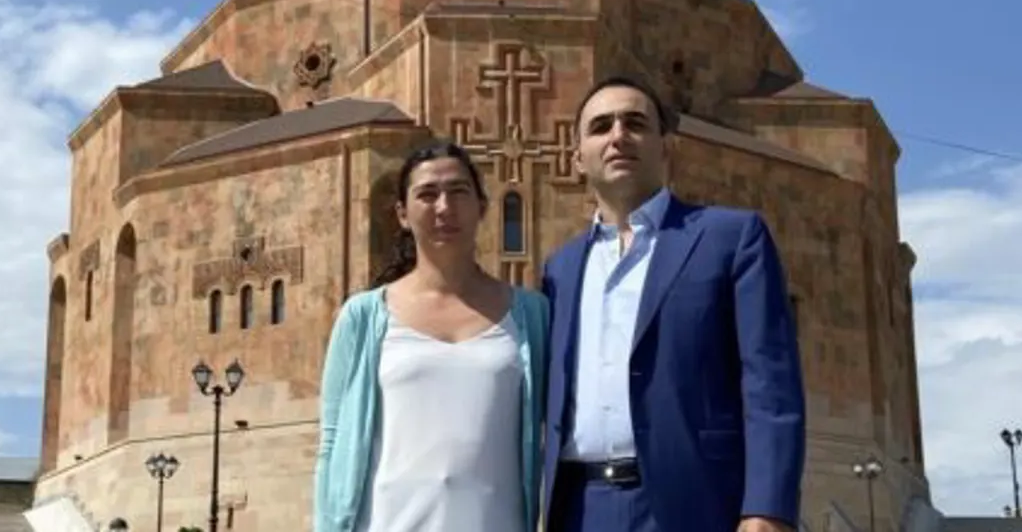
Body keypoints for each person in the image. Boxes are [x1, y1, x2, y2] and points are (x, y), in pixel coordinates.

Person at [541, 75, 806, 532]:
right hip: (580, 507)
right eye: (601, 126)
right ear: (577, 157)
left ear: (667, 147)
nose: (618, 136)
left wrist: (768, 507)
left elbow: (770, 381)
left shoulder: (729, 238)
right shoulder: (560, 269)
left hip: (694, 502)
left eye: (635, 123)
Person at [313, 140, 550, 532]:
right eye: (427, 194)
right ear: (403, 214)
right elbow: (333, 442)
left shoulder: (531, 315)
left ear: (482, 207)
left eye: (459, 191)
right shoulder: (364, 317)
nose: (444, 207)